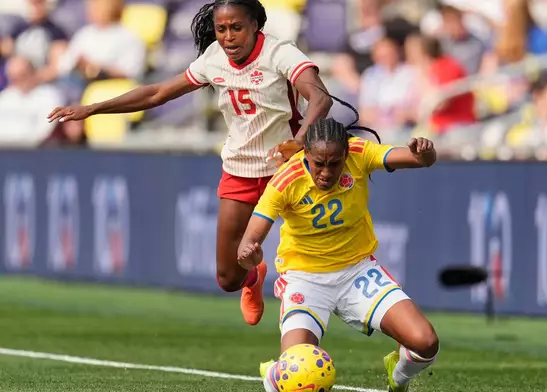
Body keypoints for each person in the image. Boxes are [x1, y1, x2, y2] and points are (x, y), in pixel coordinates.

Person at [47, 0, 333, 326]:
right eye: (221, 29)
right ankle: (253, 277)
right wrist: (93, 108)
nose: (227, 37)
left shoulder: (281, 53)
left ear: (255, 25)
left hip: (288, 170)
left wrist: (299, 142)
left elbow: (320, 98)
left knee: (320, 258)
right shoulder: (214, 59)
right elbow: (157, 93)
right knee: (228, 277)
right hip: (241, 170)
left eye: (236, 27)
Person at [237, 95, 439, 392]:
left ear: (346, 153)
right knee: (298, 370)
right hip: (305, 279)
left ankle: (398, 378)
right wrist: (249, 256)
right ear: (305, 154)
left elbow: (422, 161)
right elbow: (248, 243)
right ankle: (275, 374)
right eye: (319, 163)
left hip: (356, 273)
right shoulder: (285, 180)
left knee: (426, 343)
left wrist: (425, 151)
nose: (326, 172)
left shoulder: (360, 153)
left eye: (334, 164)